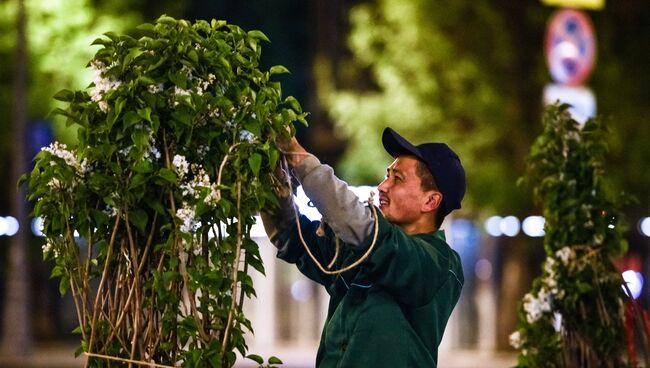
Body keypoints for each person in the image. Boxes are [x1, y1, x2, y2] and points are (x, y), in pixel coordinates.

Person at [261, 127, 466, 367]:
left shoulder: (439, 263)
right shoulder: (363, 248)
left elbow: (362, 229)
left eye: (397, 179)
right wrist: (268, 175)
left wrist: (299, 158)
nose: (382, 186)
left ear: (431, 201)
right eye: (387, 175)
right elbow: (291, 236)